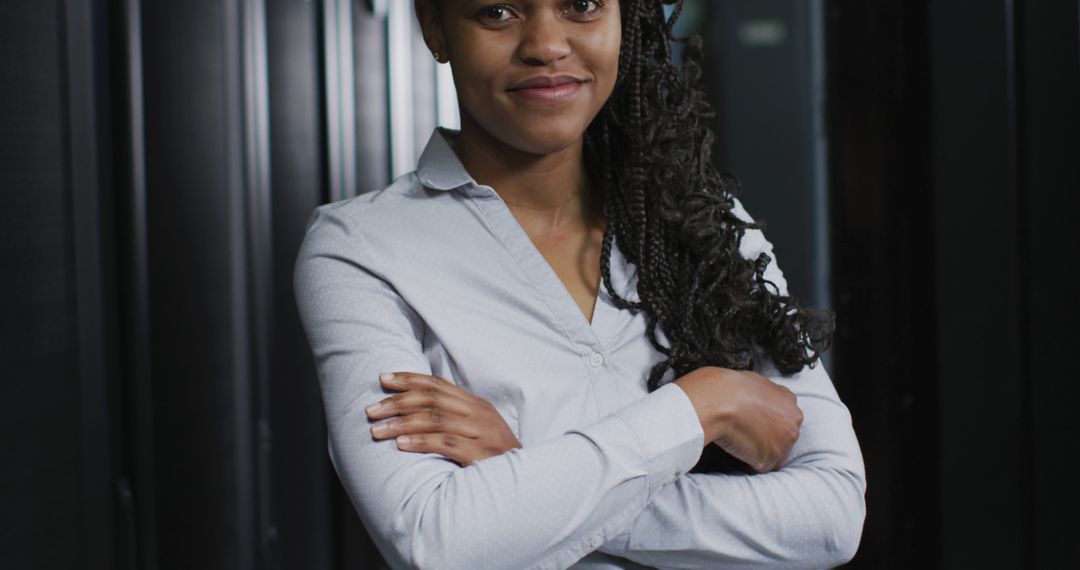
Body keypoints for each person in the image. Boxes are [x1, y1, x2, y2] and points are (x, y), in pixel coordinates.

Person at [293, 0, 867, 568]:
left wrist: (528, 464)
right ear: (434, 27)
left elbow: (832, 515)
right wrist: (701, 405)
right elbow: (437, 541)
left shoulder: (704, 224)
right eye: (497, 11)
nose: (545, 44)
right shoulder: (359, 248)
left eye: (583, 5)